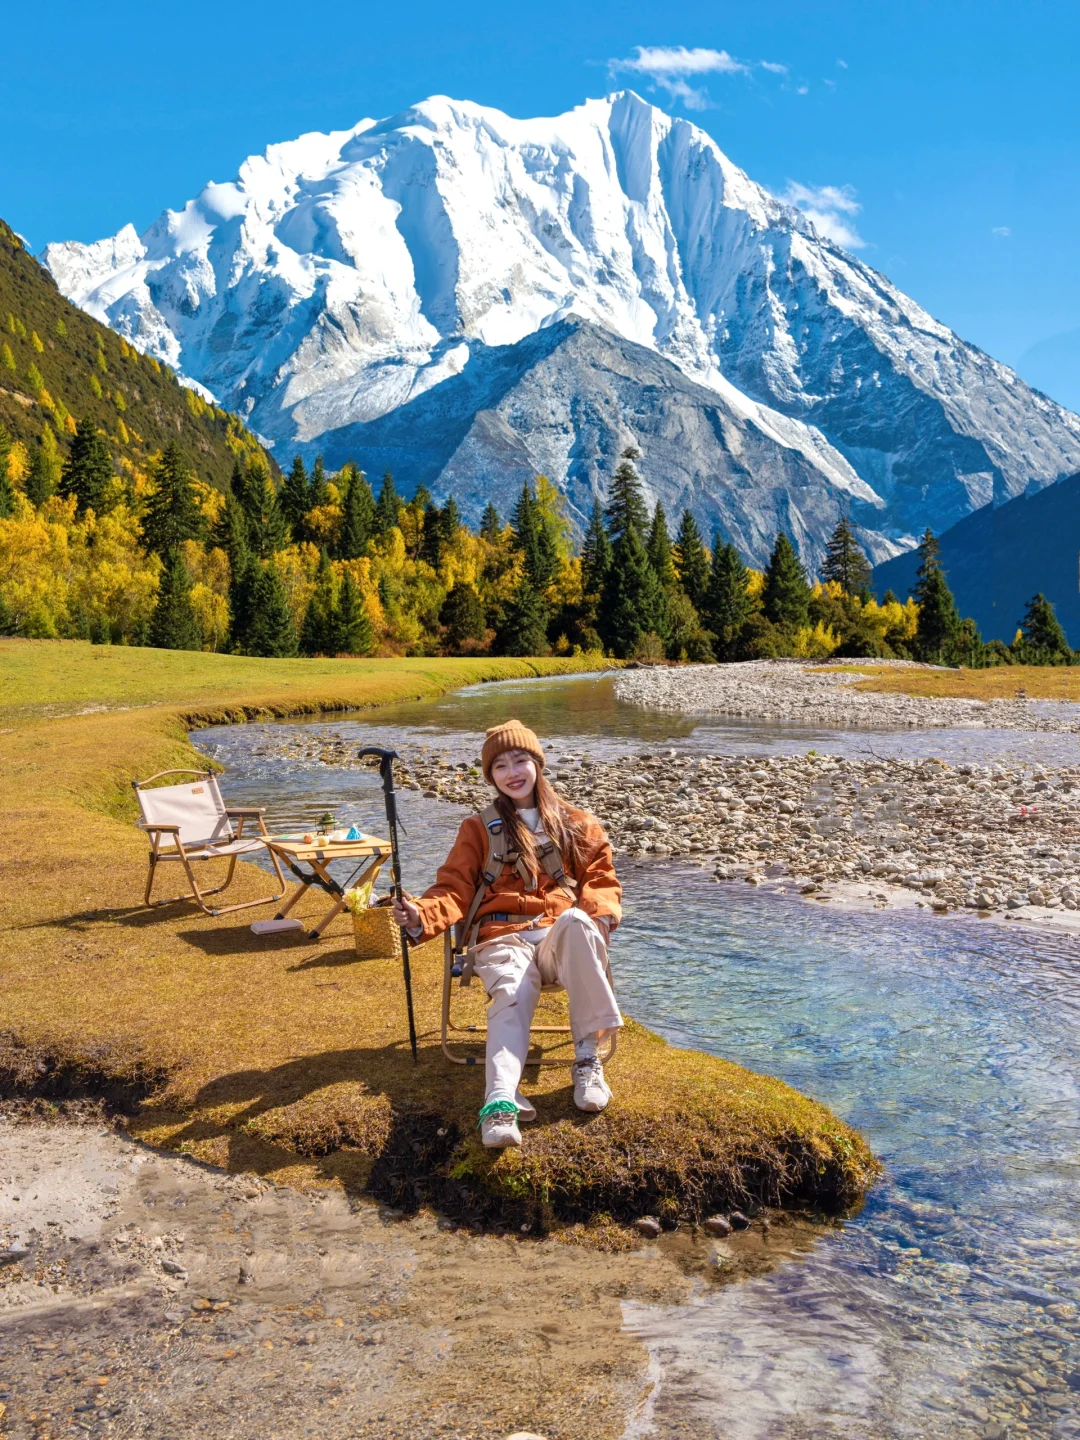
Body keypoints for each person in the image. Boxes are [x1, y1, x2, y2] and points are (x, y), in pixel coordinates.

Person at [392, 721, 623, 1148]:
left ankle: (587, 1060)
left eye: (520, 760)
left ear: (537, 763)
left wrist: (600, 920)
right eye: (500, 765)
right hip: (502, 939)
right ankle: (499, 1103)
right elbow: (453, 888)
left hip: (560, 937)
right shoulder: (477, 829)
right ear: (491, 776)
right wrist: (419, 913)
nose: (512, 771)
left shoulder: (579, 824)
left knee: (577, 921)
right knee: (513, 987)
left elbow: (602, 881)